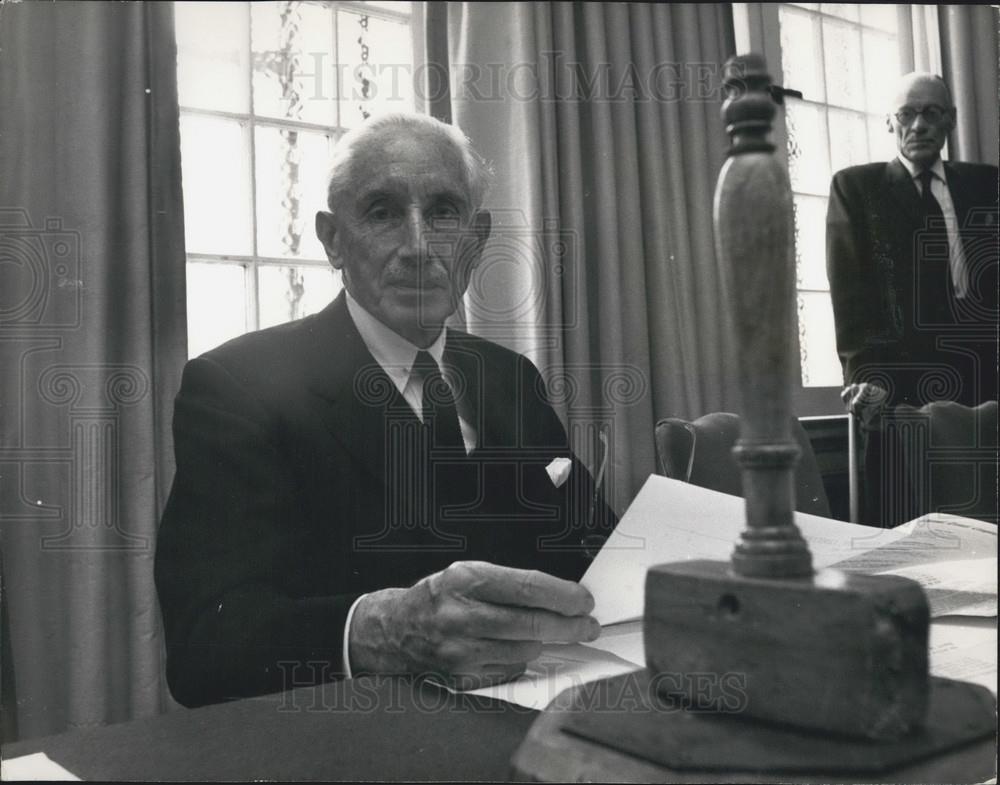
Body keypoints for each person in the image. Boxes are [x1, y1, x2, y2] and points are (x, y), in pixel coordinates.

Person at [154, 113, 615, 707]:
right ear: (332, 239)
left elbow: (595, 551)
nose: (419, 246)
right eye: (382, 212)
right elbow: (204, 648)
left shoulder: (509, 379)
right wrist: (378, 630)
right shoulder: (238, 387)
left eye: (444, 213)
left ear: (476, 240)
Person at [827, 72, 998, 413]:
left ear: (950, 119)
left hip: (983, 378)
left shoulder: (986, 184)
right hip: (897, 382)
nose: (918, 125)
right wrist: (864, 376)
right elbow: (850, 295)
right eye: (907, 114)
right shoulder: (857, 188)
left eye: (931, 113)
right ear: (890, 122)